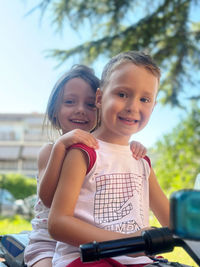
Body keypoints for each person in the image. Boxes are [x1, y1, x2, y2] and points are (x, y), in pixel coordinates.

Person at [47, 51, 170, 267]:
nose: (133, 106)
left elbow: (174, 222)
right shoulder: (84, 152)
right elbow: (57, 223)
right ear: (99, 98)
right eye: (122, 94)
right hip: (86, 258)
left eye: (144, 99)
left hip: (138, 261)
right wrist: (129, 243)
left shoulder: (141, 161)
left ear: (153, 106)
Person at [24, 64, 147, 267]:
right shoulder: (50, 150)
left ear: (100, 106)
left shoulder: (97, 152)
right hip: (48, 242)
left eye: (90, 104)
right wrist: (60, 147)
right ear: (54, 111)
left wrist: (130, 149)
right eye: (70, 102)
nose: (80, 110)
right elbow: (47, 199)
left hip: (85, 240)